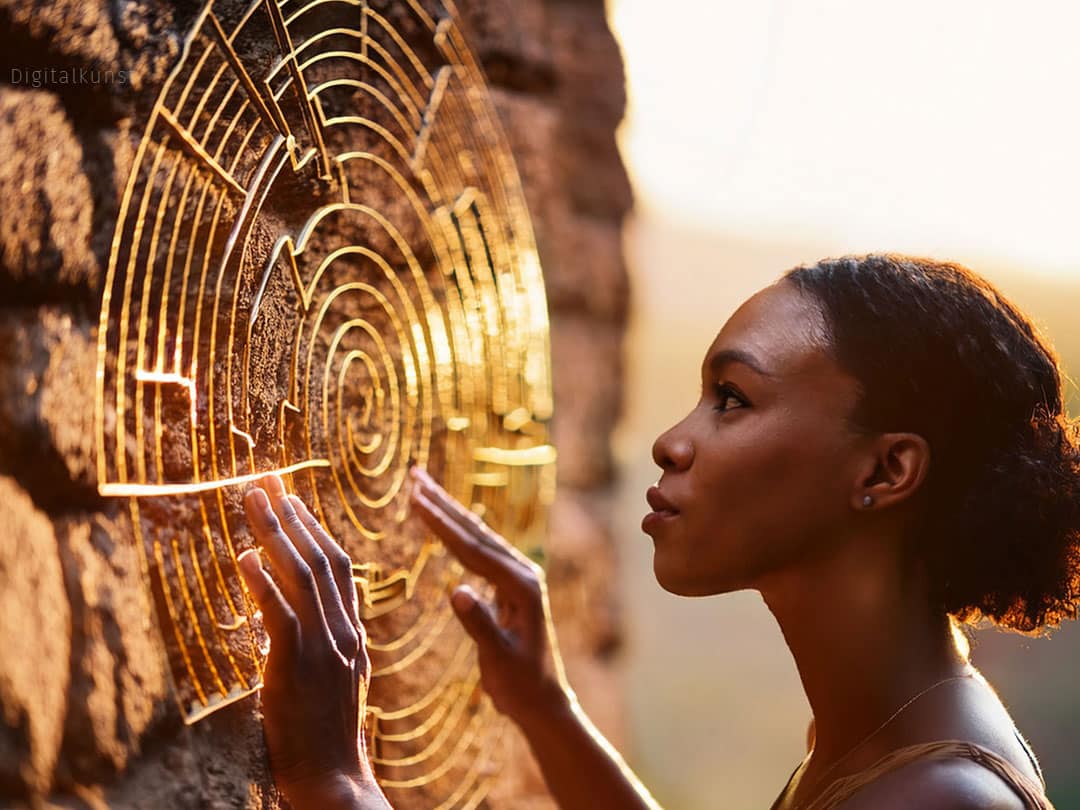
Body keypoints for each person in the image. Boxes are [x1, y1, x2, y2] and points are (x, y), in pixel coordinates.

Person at [237, 254, 1078, 809]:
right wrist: (546, 706)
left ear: (885, 472)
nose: (672, 441)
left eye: (734, 399)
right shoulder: (883, 729)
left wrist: (333, 779)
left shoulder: (942, 802)